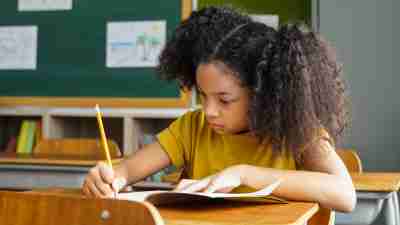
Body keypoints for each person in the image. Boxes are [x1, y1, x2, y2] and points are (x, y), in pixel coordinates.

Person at [82, 6, 356, 212]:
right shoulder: (192, 128)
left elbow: (345, 195)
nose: (209, 111)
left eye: (224, 100)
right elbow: (127, 171)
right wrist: (109, 178)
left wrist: (244, 173)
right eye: (202, 96)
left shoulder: (296, 130)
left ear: (262, 92)